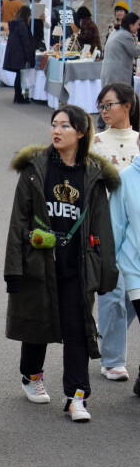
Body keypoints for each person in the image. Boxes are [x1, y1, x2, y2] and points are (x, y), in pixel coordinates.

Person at [5, 105, 119, 422]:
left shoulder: (93, 175)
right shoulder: (34, 169)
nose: (57, 130)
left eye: (65, 126)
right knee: (37, 324)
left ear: (81, 132)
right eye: (54, 124)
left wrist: (106, 271)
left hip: (77, 267)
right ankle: (32, 375)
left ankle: (76, 397)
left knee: (77, 330)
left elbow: (101, 226)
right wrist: (13, 268)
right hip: (39, 263)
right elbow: (18, 221)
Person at [92, 83, 140, 382]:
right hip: (105, 226)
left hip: (135, 230)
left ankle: (109, 336)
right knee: (111, 293)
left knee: (131, 298)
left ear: (127, 105)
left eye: (109, 105)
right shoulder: (96, 142)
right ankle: (112, 358)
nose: (105, 111)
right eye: (101, 106)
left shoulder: (138, 140)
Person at [3, 5, 35, 104]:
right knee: (19, 76)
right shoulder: (22, 25)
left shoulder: (15, 24)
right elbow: (26, 41)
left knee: (18, 75)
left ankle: (18, 96)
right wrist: (29, 55)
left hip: (15, 52)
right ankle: (18, 96)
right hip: (20, 53)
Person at [101, 12, 140, 87]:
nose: (139, 27)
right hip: (117, 76)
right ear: (131, 25)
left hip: (109, 74)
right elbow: (135, 52)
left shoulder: (115, 31)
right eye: (138, 24)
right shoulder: (125, 35)